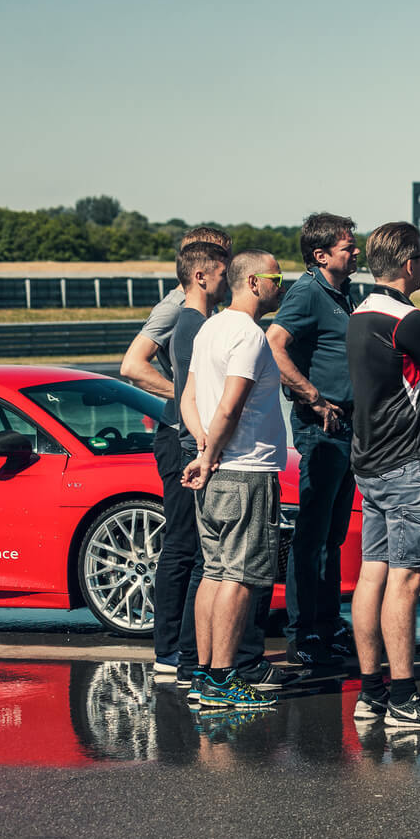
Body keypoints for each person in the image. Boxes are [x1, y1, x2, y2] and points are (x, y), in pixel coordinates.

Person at [346, 222, 420, 729]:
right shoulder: (408, 319)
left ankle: (370, 692)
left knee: (371, 574)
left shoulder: (357, 315)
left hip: (369, 462)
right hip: (406, 464)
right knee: (408, 576)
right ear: (406, 263)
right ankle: (404, 696)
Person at [171, 245, 295, 697]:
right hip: (246, 471)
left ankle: (204, 673)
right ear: (253, 282)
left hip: (218, 468)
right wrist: (210, 451)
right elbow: (231, 404)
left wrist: (203, 445)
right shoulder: (247, 334)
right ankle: (224, 679)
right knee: (240, 578)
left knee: (214, 572)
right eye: (276, 280)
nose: (281, 287)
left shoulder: (208, 330)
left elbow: (188, 398)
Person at [119, 225, 230, 677]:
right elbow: (132, 365)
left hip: (188, 429)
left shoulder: (212, 310)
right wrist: (188, 398)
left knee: (200, 547)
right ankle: (169, 650)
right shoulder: (176, 309)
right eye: (220, 261)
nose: (228, 270)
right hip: (176, 433)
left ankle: (190, 646)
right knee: (184, 544)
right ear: (197, 267)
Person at [266, 212, 362, 667]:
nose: (356, 251)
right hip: (322, 426)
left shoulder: (343, 293)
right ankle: (303, 632)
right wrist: (313, 398)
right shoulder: (307, 292)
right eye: (348, 246)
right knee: (312, 535)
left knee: (333, 534)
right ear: (321, 255)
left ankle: (328, 625)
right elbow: (273, 343)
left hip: (349, 428)